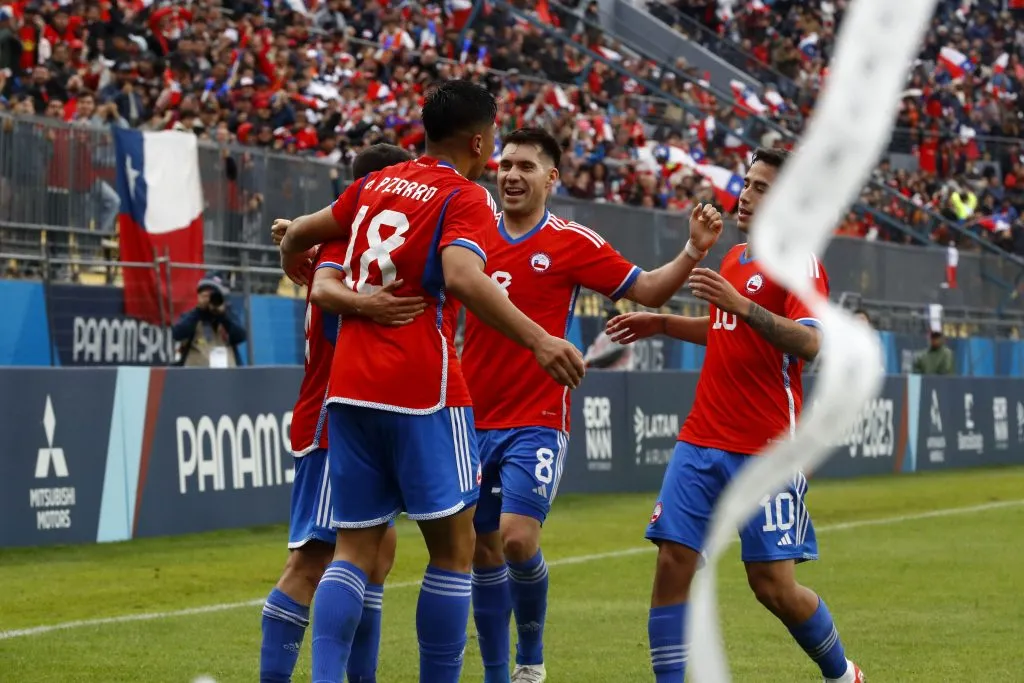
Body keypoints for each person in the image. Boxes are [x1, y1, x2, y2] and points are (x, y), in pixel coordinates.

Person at [278, 80, 585, 683]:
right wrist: (540, 339)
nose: (495, 149)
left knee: (353, 550)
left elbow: (301, 236)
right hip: (423, 389)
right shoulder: (463, 195)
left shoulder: (372, 184)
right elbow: (465, 278)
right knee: (455, 551)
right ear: (478, 138)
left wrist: (293, 257)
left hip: (349, 390)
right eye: (495, 136)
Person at [462, 127, 724, 683]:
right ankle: (495, 675)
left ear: (551, 178)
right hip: (468, 416)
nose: (510, 174)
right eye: (505, 164)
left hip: (536, 417)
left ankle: (529, 657)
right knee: (480, 551)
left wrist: (693, 251)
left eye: (526, 167)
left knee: (515, 539)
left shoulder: (571, 242)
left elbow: (648, 289)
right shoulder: (472, 232)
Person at [606, 147, 865, 683]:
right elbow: (724, 329)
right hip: (701, 438)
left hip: (766, 449)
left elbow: (813, 342)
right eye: (748, 184)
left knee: (772, 585)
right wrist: (663, 322)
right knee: (672, 564)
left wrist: (743, 306)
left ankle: (842, 675)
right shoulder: (734, 258)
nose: (747, 194)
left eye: (764, 187)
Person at [259, 144, 417, 683]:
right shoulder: (349, 247)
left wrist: (297, 239)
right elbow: (332, 298)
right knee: (311, 563)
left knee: (377, 552)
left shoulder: (348, 244)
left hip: (358, 417)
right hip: (333, 419)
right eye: (402, 182)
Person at [171, 272, 247, 367]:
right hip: (196, 377)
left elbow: (241, 336)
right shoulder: (192, 317)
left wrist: (223, 315)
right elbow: (177, 334)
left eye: (214, 296)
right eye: (205, 295)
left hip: (227, 376)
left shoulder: (228, 316)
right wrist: (199, 310)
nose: (210, 299)